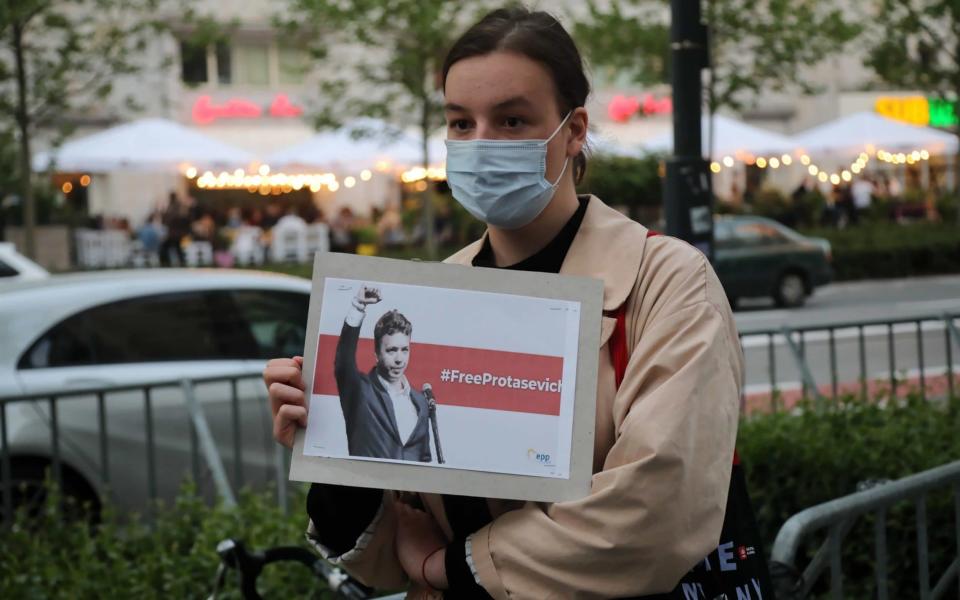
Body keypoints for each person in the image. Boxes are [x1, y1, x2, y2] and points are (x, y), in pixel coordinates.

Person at [264, 7, 742, 599]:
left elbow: (655, 508)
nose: (482, 144)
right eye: (461, 123)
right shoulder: (432, 296)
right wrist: (333, 444)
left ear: (573, 130)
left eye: (512, 120)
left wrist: (451, 570)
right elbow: (399, 543)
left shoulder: (664, 280)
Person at [332, 284, 433, 462]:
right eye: (392, 350)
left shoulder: (421, 403)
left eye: (404, 350)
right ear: (377, 354)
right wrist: (358, 306)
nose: (399, 359)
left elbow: (425, 458)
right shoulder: (360, 391)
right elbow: (343, 363)